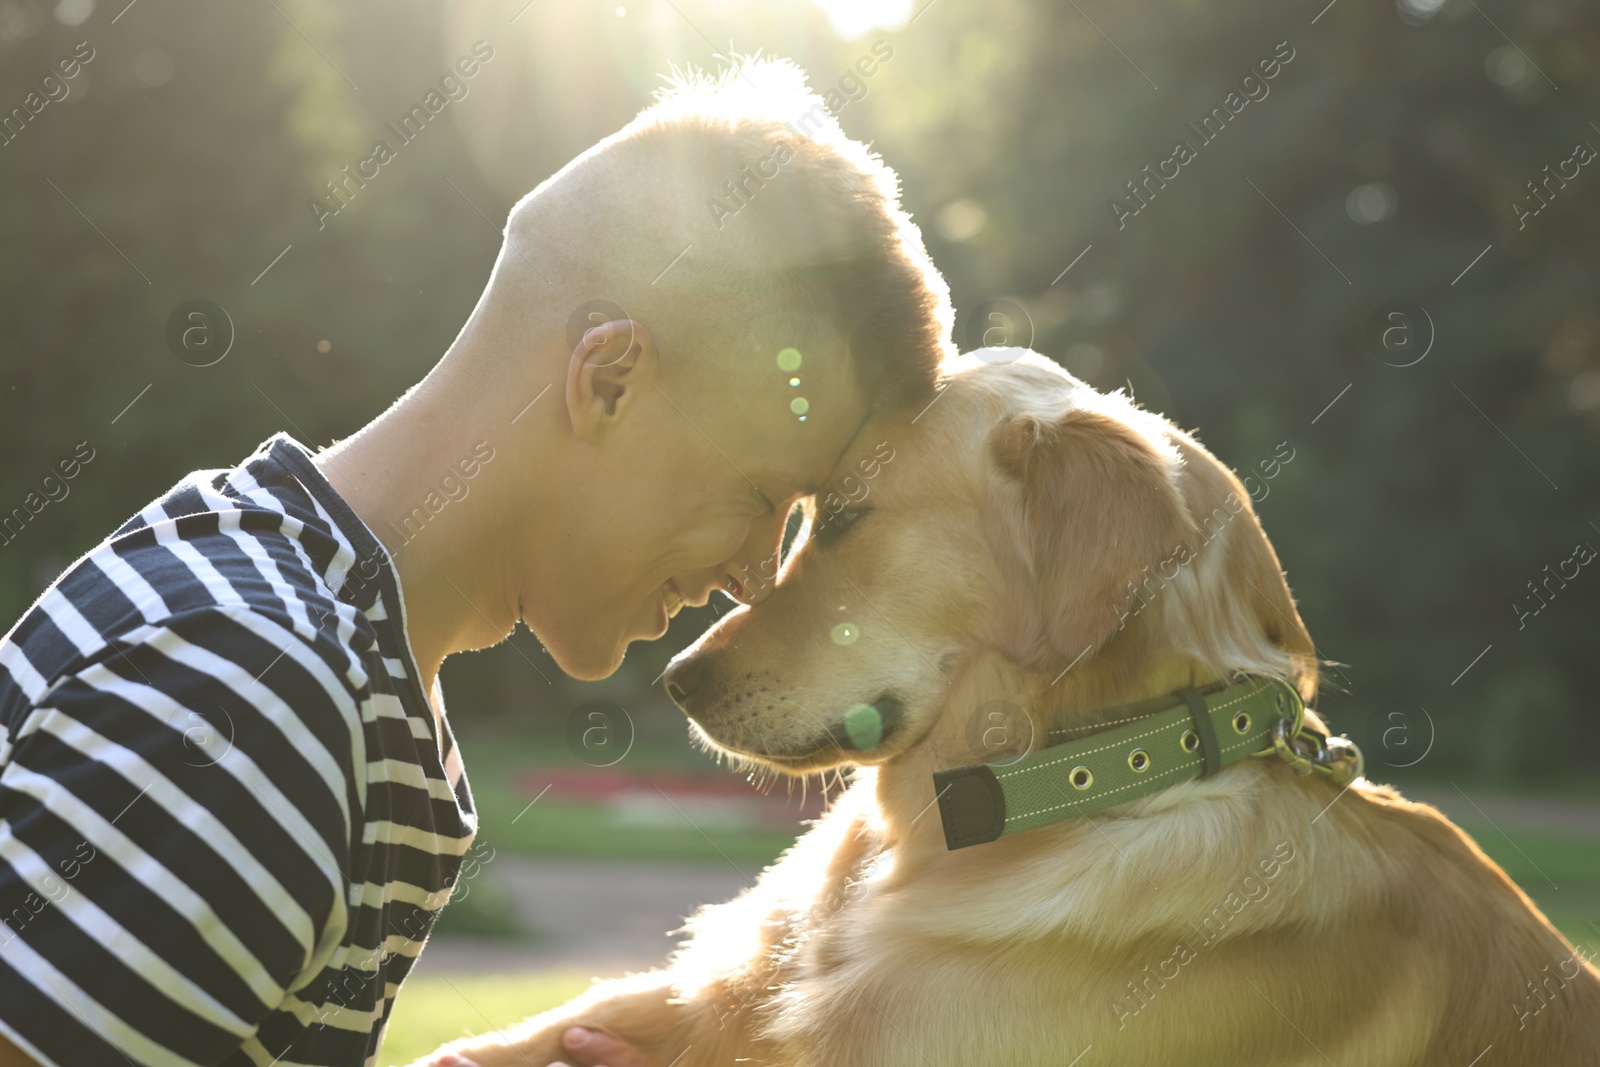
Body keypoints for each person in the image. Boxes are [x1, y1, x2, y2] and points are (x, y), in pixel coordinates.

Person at [0, 58, 951, 1067]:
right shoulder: (263, 695)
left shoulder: (314, 637)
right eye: (767, 498)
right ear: (611, 380)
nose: (758, 575)